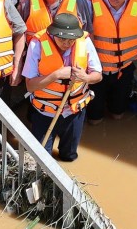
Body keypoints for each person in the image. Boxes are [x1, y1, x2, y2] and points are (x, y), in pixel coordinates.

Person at [23, 13, 102, 161]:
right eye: (62, 39)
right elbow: (30, 86)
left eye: (71, 40)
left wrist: (85, 77)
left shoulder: (84, 41)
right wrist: (56, 75)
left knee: (69, 156)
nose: (66, 43)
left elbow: (98, 76)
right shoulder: (37, 43)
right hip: (45, 111)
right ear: (53, 34)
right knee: (41, 159)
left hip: (74, 111)